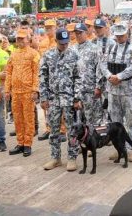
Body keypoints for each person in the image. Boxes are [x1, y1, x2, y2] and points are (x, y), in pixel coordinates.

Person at [39, 28, 82, 171]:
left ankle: (72, 158)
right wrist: (44, 97)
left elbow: (78, 78)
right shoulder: (48, 55)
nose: (64, 46)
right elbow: (43, 77)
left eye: (66, 43)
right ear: (56, 41)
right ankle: (55, 157)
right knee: (54, 130)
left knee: (72, 130)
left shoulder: (74, 55)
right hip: (53, 99)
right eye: (62, 43)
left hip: (69, 99)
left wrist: (77, 98)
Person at [99, 22, 132, 162]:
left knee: (131, 120)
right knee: (115, 123)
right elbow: (103, 63)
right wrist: (109, 76)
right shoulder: (110, 47)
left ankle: (131, 148)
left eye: (122, 35)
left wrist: (119, 76)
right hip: (113, 91)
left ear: (127, 34)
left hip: (128, 92)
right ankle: (119, 148)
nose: (120, 38)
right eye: (117, 36)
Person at [5, 28, 40, 157]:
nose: (19, 40)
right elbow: (8, 72)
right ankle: (20, 142)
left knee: (28, 119)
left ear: (28, 39)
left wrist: (35, 89)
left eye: (22, 38)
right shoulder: (13, 54)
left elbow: (36, 73)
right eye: (18, 38)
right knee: (18, 119)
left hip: (28, 91)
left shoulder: (34, 54)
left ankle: (27, 144)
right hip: (15, 92)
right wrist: (7, 90)